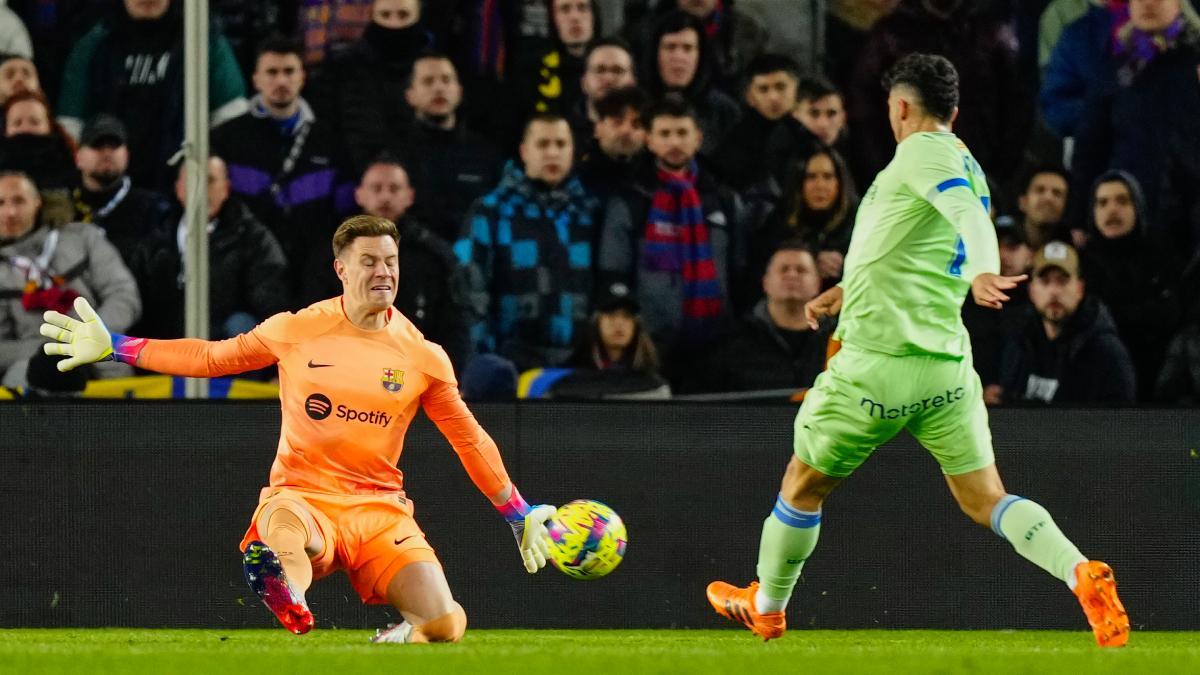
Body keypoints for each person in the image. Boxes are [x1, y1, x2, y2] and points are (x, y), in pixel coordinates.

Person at [705, 53, 1129, 649]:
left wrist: (985, 271)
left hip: (877, 366)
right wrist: (847, 289)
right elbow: (912, 251)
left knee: (801, 485)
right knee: (987, 499)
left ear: (901, 107)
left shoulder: (924, 153)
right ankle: (1080, 572)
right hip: (947, 370)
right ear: (954, 109)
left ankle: (767, 607)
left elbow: (967, 221)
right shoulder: (965, 163)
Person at [40, 213, 560, 644]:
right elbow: (210, 357)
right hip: (303, 494)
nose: (384, 272)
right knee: (286, 534)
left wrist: (518, 513)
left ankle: (404, 635)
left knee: (447, 624)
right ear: (341, 269)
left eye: (391, 261)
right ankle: (290, 596)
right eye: (370, 262)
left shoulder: (424, 356)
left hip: (378, 510)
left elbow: (468, 438)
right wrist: (117, 345)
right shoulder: (296, 329)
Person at [598, 94, 745, 384]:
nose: (674, 142)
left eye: (682, 133)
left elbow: (739, 267)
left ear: (698, 138)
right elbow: (614, 269)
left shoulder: (723, 199)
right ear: (649, 140)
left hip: (716, 340)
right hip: (651, 342)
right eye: (665, 134)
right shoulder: (631, 199)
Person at [211, 36, 352, 306]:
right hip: (246, 277)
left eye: (289, 72)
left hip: (317, 275)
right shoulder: (227, 139)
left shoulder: (331, 140)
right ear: (256, 79)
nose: (281, 81)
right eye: (272, 72)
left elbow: (344, 214)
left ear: (302, 77)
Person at [456, 113, 598, 373]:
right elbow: (470, 290)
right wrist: (482, 357)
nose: (553, 153)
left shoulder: (588, 212)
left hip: (582, 362)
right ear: (524, 151)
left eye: (561, 144)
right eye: (543, 144)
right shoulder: (492, 210)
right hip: (510, 360)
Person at [56, 0, 248, 190]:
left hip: (182, 188)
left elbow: (232, 122)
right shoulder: (92, 46)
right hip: (109, 185)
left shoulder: (205, 42)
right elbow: (70, 125)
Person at [1, 171, 140, 388]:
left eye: (19, 200)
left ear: (38, 202)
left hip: (98, 350)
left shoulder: (83, 237)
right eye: (0, 203)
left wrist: (92, 334)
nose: (9, 212)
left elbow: (123, 294)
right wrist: (55, 347)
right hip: (29, 367)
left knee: (113, 365)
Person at [133, 157, 291, 341]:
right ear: (178, 189)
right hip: (169, 355)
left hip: (226, 357)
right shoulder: (155, 243)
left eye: (210, 180)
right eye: (193, 179)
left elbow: (272, 304)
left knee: (240, 324)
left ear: (226, 188)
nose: (201, 189)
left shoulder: (254, 239)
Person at [354, 157, 471, 371]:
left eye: (394, 188)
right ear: (359, 195)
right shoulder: (334, 253)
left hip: (417, 375)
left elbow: (454, 324)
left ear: (410, 196)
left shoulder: (435, 255)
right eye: (377, 188)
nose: (385, 196)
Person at [996, 241, 1137, 404]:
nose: (1054, 291)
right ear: (1032, 291)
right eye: (1045, 281)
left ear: (1079, 289)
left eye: (1062, 281)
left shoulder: (1107, 353)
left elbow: (1121, 423)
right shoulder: (1018, 341)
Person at [694, 242, 833, 394]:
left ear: (817, 284)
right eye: (783, 269)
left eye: (801, 270)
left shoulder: (839, 338)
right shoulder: (731, 342)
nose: (792, 275)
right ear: (765, 283)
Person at [394, 52, 502, 243]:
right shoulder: (396, 155)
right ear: (410, 96)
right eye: (428, 81)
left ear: (459, 92)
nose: (439, 88)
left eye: (446, 80)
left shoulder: (485, 153)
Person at [71, 114, 170, 270]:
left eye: (114, 145)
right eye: (97, 145)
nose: (107, 152)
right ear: (78, 157)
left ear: (126, 155)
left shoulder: (153, 210)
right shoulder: (61, 208)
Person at [756, 148, 858, 289]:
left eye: (828, 177)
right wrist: (810, 260)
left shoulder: (861, 222)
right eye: (811, 177)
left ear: (839, 183)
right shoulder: (779, 221)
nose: (820, 185)